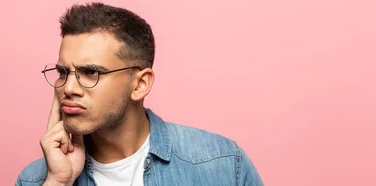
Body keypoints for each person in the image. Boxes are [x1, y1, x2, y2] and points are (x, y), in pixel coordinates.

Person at [15, 2, 263, 186]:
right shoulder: (36, 181)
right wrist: (59, 181)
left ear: (140, 84)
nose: (68, 88)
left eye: (90, 72)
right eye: (62, 72)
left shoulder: (222, 165)